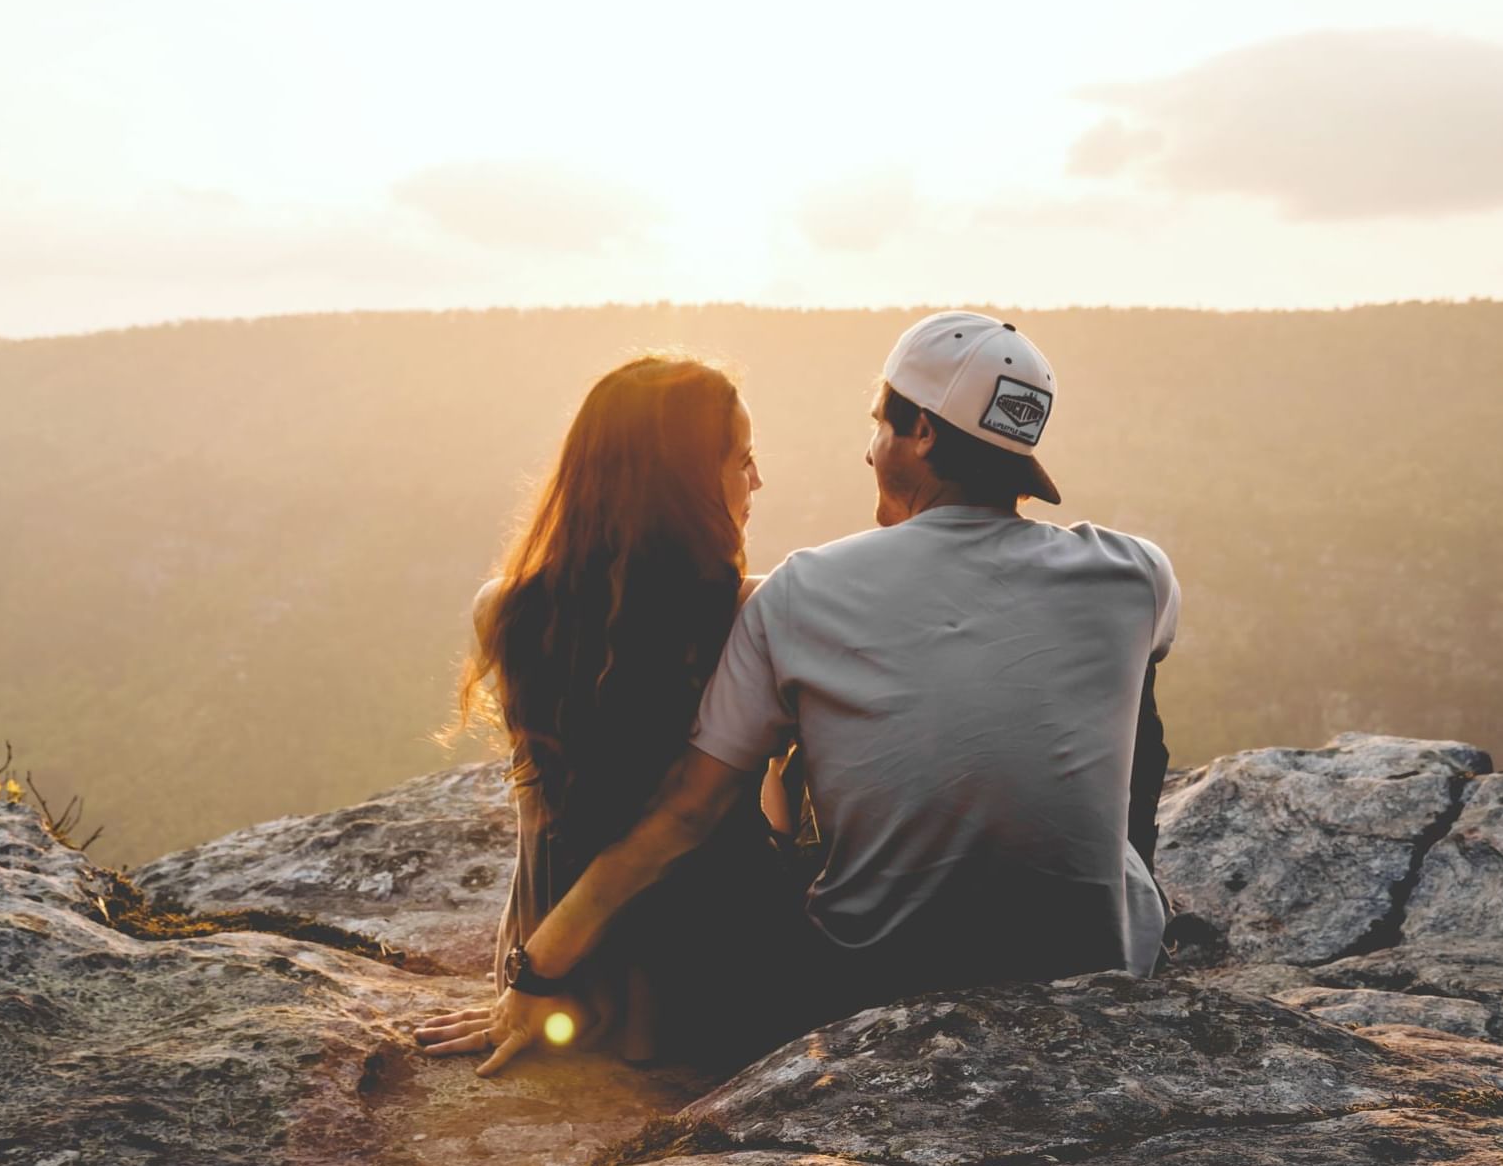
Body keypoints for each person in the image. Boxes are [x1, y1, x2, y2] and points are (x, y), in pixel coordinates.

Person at [423, 311, 1180, 1077]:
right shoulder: (1136, 573)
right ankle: (1115, 904)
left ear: (918, 430)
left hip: (865, 981)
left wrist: (536, 968)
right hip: (1098, 969)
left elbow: (685, 813)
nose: (865, 448)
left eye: (879, 424)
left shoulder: (800, 594)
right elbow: (1133, 716)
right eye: (743, 460)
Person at [418, 354, 798, 1068]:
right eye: (742, 459)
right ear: (684, 486)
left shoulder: (503, 609)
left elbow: (544, 821)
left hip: (564, 978)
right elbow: (690, 818)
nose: (756, 481)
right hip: (719, 976)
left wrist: (530, 973)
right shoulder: (753, 612)